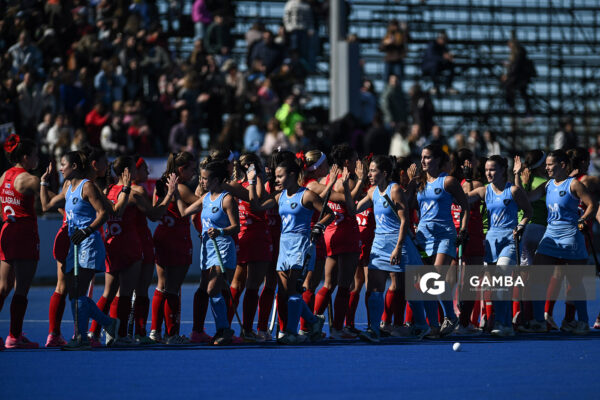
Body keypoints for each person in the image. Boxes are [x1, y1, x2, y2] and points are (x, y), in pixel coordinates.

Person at [247, 157, 331, 344]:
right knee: (285, 292)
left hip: (301, 244)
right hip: (284, 246)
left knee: (293, 290)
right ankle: (313, 320)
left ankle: (292, 332)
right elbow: (256, 207)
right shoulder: (279, 196)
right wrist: (252, 181)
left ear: (292, 175)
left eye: (280, 176)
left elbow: (329, 214)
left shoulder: (307, 195)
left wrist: (319, 226)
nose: (276, 179)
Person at [40, 151, 118, 350]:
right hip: (75, 243)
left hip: (89, 242)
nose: (60, 167)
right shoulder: (68, 188)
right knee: (74, 293)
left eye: (63, 164)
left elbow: (103, 213)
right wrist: (43, 183)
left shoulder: (87, 186)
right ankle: (108, 323)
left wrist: (87, 230)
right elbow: (46, 205)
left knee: (79, 292)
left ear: (74, 166)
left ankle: (82, 337)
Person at [354, 155, 431, 342]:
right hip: (379, 244)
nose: (370, 174)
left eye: (373, 171)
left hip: (399, 243)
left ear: (384, 173)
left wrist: (397, 247)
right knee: (374, 287)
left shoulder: (395, 189)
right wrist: (356, 181)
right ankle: (374, 329)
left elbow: (405, 220)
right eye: (369, 171)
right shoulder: (372, 192)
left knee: (409, 287)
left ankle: (421, 326)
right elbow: (353, 208)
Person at [524, 150, 596, 334]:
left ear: (562, 165)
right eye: (546, 165)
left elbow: (592, 205)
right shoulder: (548, 185)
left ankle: (582, 322)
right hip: (550, 237)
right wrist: (518, 178)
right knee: (538, 279)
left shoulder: (574, 185)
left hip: (570, 236)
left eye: (550, 164)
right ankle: (539, 321)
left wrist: (583, 220)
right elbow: (527, 198)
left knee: (575, 283)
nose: (547, 168)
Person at [176, 159, 240, 345]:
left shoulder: (227, 199)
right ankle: (224, 328)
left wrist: (221, 231)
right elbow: (183, 213)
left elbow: (236, 227)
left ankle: (223, 329)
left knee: (213, 289)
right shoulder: (205, 198)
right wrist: (175, 194)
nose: (201, 182)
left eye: (205, 179)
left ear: (217, 180)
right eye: (201, 178)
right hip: (208, 250)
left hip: (223, 249)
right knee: (210, 289)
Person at [467, 155, 532, 336]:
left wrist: (521, 226)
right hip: (491, 241)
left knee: (502, 279)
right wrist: (467, 179)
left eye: (493, 169)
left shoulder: (513, 191)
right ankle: (502, 321)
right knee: (495, 286)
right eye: (487, 169)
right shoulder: (484, 190)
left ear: (503, 170)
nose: (489, 173)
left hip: (510, 239)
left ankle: (506, 324)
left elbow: (528, 211)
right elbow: (463, 199)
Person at [411, 144, 469, 336]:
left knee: (434, 277)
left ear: (437, 160)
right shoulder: (419, 182)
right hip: (423, 237)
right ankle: (434, 325)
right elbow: (406, 204)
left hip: (445, 235)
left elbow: (465, 206)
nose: (423, 161)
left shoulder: (449, 182)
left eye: (427, 157)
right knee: (425, 282)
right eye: (422, 157)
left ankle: (450, 316)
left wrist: (463, 230)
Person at [314, 144, 364, 339]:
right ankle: (337, 328)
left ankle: (313, 324)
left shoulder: (325, 179)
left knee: (327, 284)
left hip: (331, 234)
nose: (357, 163)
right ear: (346, 162)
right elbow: (352, 205)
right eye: (354, 160)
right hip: (347, 233)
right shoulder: (349, 182)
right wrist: (360, 180)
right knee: (345, 285)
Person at [150, 152, 198, 344]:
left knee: (161, 286)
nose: (194, 174)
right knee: (173, 288)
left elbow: (156, 210)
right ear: (181, 169)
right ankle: (172, 334)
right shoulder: (181, 189)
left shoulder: (159, 186)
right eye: (192, 170)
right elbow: (204, 204)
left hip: (162, 236)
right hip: (178, 239)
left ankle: (155, 331)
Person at [0, 135, 41, 349]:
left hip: (6, 231)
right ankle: (14, 336)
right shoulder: (30, 179)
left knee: (2, 287)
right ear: (26, 157)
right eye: (35, 155)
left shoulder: (4, 176)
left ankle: (11, 336)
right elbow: (48, 201)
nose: (38, 159)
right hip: (24, 234)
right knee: (21, 288)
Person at [230, 153, 273, 341]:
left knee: (237, 284)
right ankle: (247, 330)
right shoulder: (253, 185)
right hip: (256, 237)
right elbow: (256, 205)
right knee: (252, 285)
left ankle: (225, 327)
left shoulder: (235, 185)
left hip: (241, 237)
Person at [450, 149, 486, 334]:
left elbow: (470, 199)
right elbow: (465, 199)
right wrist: (468, 179)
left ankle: (464, 322)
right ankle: (451, 320)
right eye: (474, 160)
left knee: (470, 279)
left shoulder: (472, 183)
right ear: (467, 162)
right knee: (454, 279)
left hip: (472, 233)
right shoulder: (458, 182)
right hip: (463, 233)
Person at [512, 150, 548, 329]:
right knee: (539, 277)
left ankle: (522, 315)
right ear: (541, 165)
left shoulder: (521, 182)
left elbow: (520, 197)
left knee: (524, 276)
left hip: (522, 229)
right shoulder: (546, 183)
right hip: (540, 229)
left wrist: (517, 176)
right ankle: (535, 318)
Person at [502, 38, 535, 116]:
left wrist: (508, 75)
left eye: (510, 45)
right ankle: (527, 111)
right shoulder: (519, 53)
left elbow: (516, 66)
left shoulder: (518, 53)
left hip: (518, 77)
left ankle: (512, 107)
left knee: (510, 89)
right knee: (523, 94)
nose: (509, 47)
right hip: (520, 77)